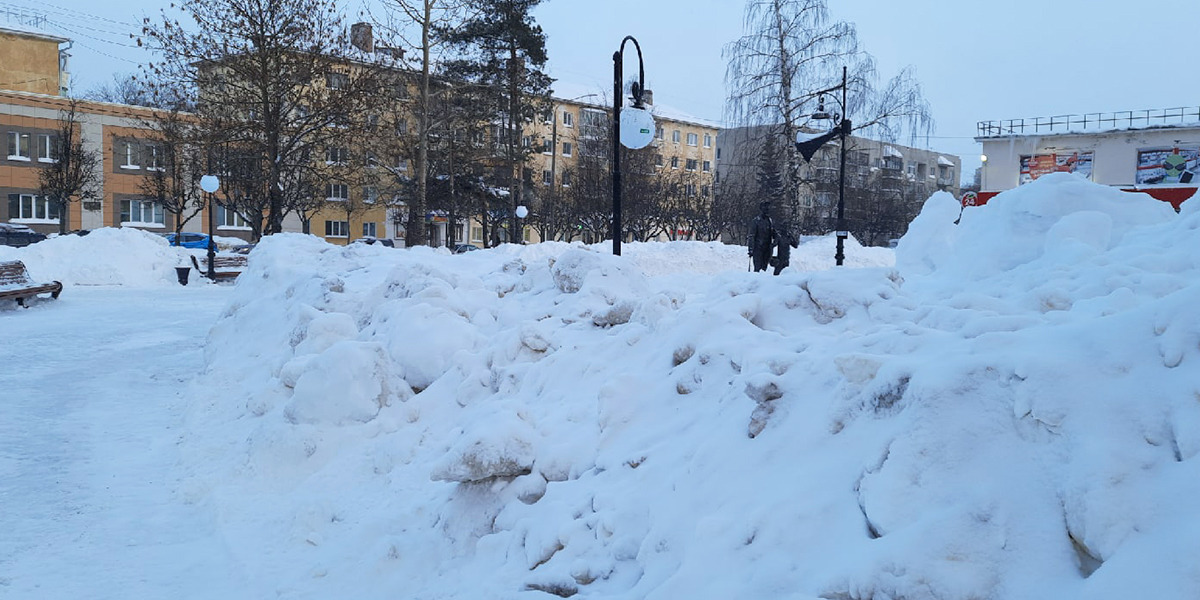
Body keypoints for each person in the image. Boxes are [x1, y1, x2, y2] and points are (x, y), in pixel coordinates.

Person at [747, 202, 774, 272]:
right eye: (765, 209)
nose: (767, 211)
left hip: (767, 249)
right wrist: (751, 249)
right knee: (757, 268)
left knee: (764, 269)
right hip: (758, 248)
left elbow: (773, 234)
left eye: (768, 209)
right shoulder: (756, 221)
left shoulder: (770, 221)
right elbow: (751, 236)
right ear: (761, 210)